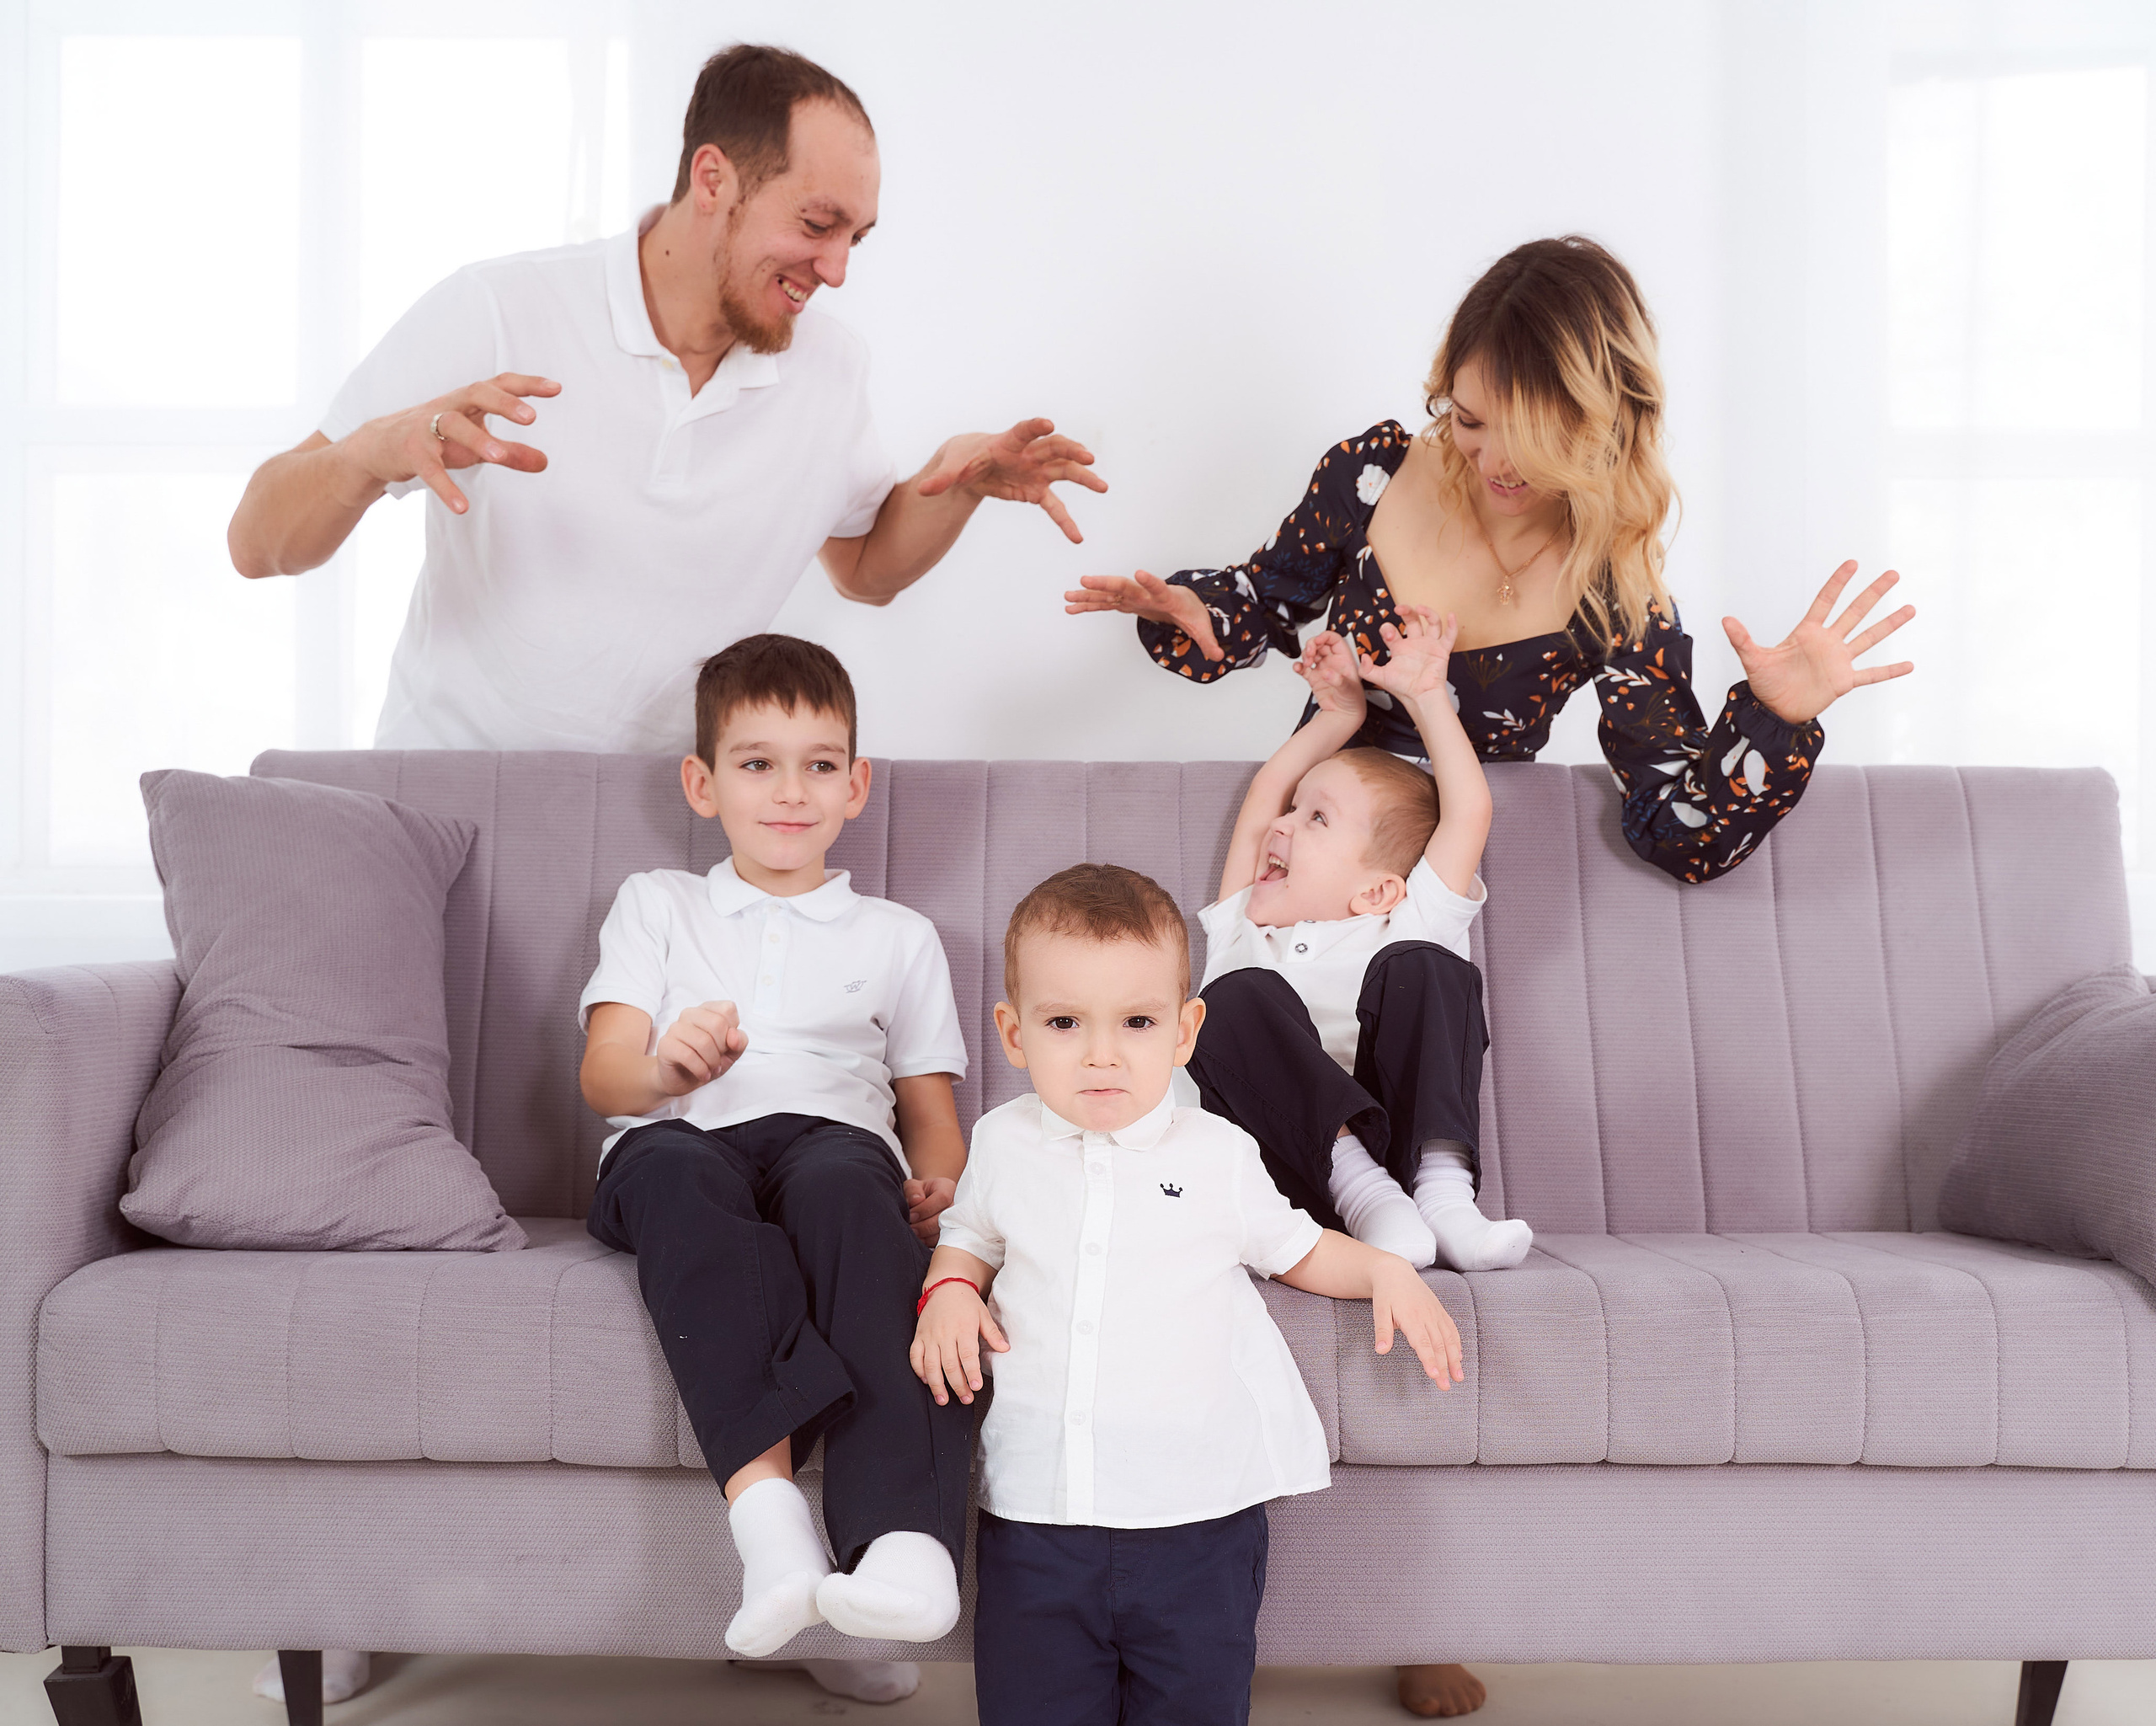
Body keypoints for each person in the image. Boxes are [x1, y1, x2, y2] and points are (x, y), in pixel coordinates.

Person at [227, 43, 1106, 756]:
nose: (837, 269)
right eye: (816, 225)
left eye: (856, 237)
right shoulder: (499, 309)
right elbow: (256, 543)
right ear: (713, 179)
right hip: (445, 795)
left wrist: (956, 487)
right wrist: (368, 456)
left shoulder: (829, 370)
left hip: (656, 827)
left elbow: (865, 569)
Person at [1066, 234, 1914, 889]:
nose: (1496, 463)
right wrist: (1197, 611)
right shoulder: (1373, 475)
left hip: (1457, 882)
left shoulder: (1616, 596)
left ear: (1601, 423)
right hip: (1312, 859)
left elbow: (1677, 832)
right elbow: (1262, 604)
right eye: (1471, 421)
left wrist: (1775, 719)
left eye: (1534, 436)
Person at [912, 863, 1465, 1726]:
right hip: (1037, 1513)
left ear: (1183, 1029)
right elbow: (971, 1235)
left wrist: (1383, 1269)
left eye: (1136, 1022)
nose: (1101, 1053)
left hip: (1197, 1522)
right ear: (1014, 1033)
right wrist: (949, 1286)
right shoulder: (1002, 1142)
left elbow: (1300, 1249)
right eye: (1064, 1022)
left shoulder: (1217, 1153)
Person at [574, 633, 974, 1671]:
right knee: (676, 1176)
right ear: (703, 784)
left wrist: (943, 1189)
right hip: (674, 1138)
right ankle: (772, 1531)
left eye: (819, 764)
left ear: (857, 784)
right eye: (757, 763)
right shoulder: (658, 902)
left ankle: (905, 1547)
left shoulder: (898, 935)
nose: (791, 791)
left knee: (851, 1198)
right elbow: (604, 1076)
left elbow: (926, 1110)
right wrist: (665, 1071)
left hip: (833, 1143)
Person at [1190, 610, 1527, 1276]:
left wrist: (1427, 696)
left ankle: (1444, 1197)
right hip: (1281, 1180)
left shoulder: (1404, 922)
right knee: (1226, 1000)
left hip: (1402, 1161)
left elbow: (1469, 812)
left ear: (1376, 890)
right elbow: (1263, 794)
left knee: (1428, 967)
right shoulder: (1243, 927)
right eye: (1292, 810)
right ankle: (1365, 1196)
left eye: (1315, 817)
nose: (1281, 826)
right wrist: (1338, 715)